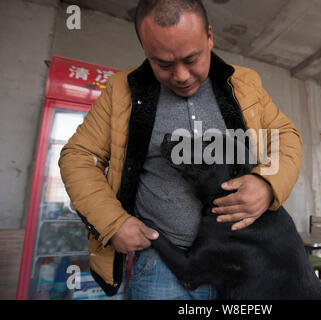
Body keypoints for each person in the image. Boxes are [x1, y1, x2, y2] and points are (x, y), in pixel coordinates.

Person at [59, 0, 302, 300]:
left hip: (245, 265)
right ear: (145, 50)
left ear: (209, 37)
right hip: (163, 268)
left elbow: (283, 136)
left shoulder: (244, 83)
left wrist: (268, 184)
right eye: (163, 64)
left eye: (192, 58)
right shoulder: (121, 92)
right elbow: (79, 156)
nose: (182, 75)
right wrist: (112, 222)